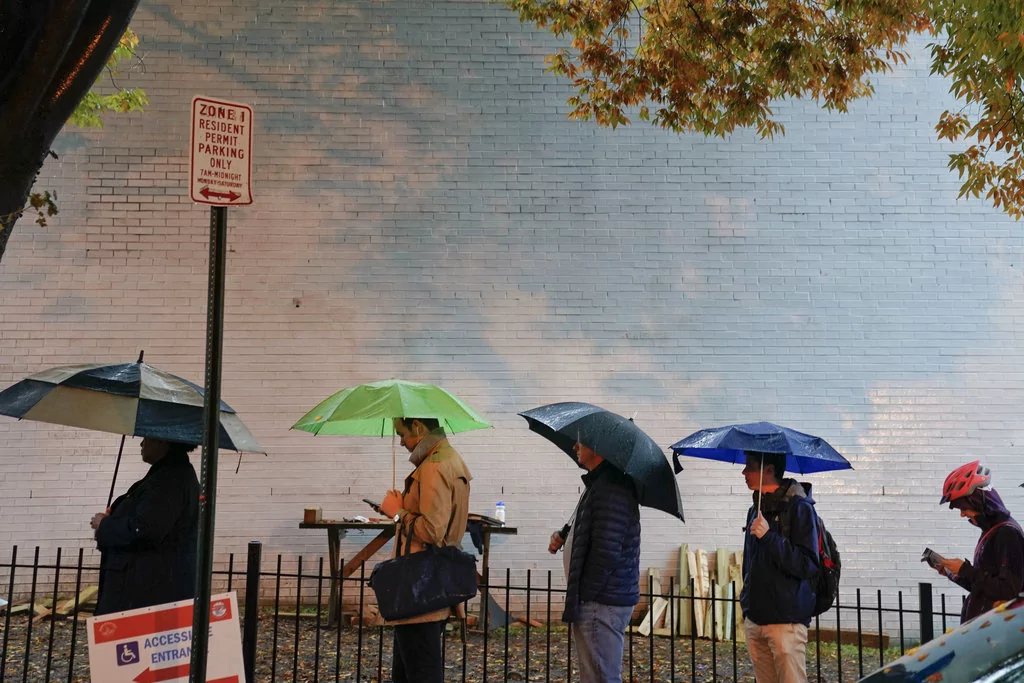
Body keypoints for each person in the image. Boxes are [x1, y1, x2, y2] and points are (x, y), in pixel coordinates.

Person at [378, 417, 471, 683]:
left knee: (420, 671)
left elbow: (432, 530)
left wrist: (397, 514)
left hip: (419, 586)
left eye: (402, 433)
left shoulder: (434, 466)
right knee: (409, 668)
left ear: (417, 427)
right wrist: (401, 507)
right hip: (431, 581)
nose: (400, 441)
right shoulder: (449, 459)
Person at [548, 441, 641, 683]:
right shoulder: (600, 484)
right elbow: (597, 531)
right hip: (600, 599)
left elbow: (607, 551)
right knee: (595, 676)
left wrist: (586, 594)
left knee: (601, 677)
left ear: (599, 447)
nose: (574, 445)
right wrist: (565, 535)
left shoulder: (611, 487)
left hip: (601, 601)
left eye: (581, 441)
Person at [89, 437, 200, 615]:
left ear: (163, 441)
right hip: (148, 588)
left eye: (146, 438)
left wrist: (105, 524)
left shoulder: (169, 480)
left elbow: (146, 530)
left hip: (147, 592)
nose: (141, 444)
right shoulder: (168, 474)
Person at [740, 451, 820, 683]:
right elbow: (750, 562)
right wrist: (747, 603)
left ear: (769, 470)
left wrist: (769, 537)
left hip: (786, 621)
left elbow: (808, 565)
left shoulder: (800, 508)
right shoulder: (755, 511)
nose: (744, 472)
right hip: (756, 619)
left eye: (750, 466)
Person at [931, 461, 1024, 622]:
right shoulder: (994, 530)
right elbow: (985, 588)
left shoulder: (1007, 533)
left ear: (978, 502)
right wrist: (953, 573)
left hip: (993, 636)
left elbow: (1008, 591)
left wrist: (965, 570)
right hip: (984, 631)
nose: (962, 514)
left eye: (963, 508)